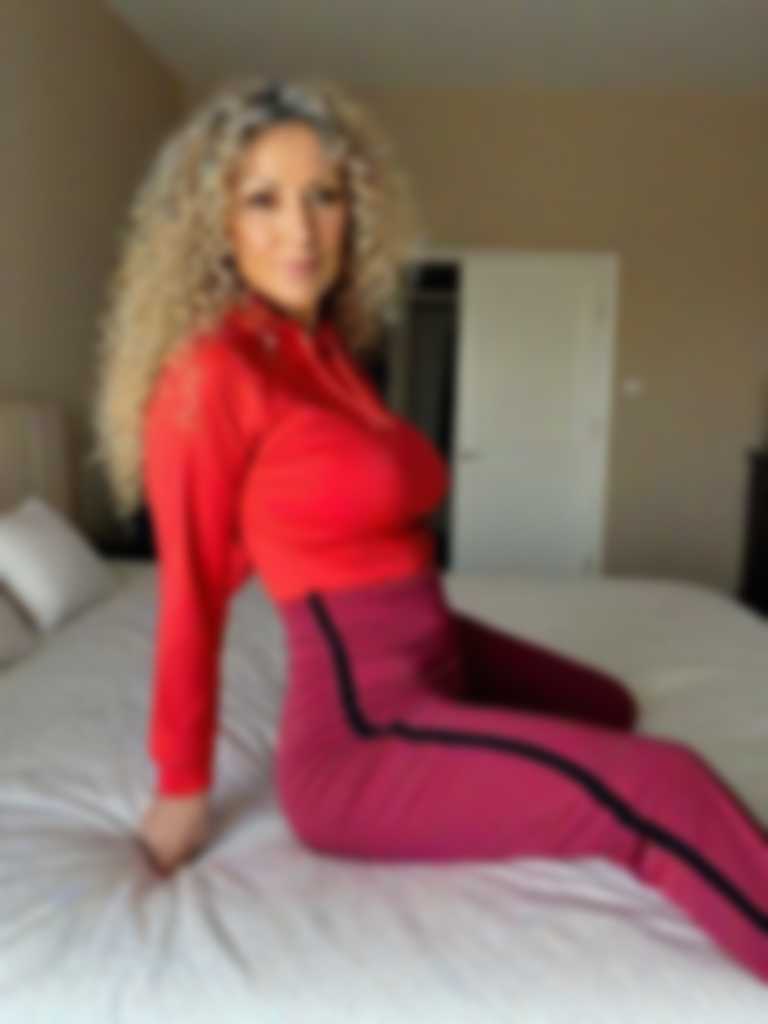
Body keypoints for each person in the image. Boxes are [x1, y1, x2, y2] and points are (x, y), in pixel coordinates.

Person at [92, 75, 768, 984]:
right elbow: (193, 590)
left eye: (323, 196)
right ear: (214, 221)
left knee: (607, 705)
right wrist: (183, 784)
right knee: (663, 782)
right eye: (263, 200)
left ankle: (473, 741)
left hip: (434, 648)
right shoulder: (212, 374)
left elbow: (311, 505)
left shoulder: (328, 354)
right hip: (362, 735)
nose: (300, 231)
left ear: (355, 209)